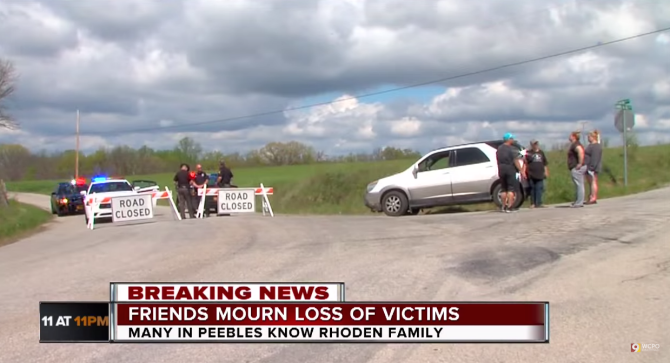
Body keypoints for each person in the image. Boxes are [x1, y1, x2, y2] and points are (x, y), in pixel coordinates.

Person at [496, 133, 525, 213]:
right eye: (512, 139)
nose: (513, 140)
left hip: (501, 169)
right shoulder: (511, 149)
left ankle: (503, 206)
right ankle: (509, 207)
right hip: (510, 169)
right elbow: (516, 160)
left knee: (503, 188)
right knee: (511, 188)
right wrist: (521, 170)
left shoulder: (499, 148)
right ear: (509, 139)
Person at [524, 140, 549, 208]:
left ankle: (539, 202)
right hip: (531, 173)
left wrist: (546, 171)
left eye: (536, 144)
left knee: (539, 188)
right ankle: (533, 203)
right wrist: (524, 172)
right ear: (531, 145)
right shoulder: (528, 153)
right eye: (534, 144)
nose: (535, 145)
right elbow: (525, 163)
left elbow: (545, 163)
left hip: (540, 173)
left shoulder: (541, 152)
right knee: (532, 188)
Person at [567, 131, 587, 208]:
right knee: (578, 184)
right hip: (577, 167)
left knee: (579, 185)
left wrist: (580, 163)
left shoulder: (576, 144)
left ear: (574, 136)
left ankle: (579, 202)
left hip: (577, 167)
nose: (569, 137)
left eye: (570, 135)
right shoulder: (576, 144)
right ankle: (578, 201)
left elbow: (580, 152)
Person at [584, 130, 603, 204]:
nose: (588, 138)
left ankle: (593, 197)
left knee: (593, 182)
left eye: (589, 137)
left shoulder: (596, 146)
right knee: (591, 182)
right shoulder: (590, 145)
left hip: (592, 168)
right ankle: (591, 196)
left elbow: (595, 158)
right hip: (588, 166)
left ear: (593, 137)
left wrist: (591, 167)